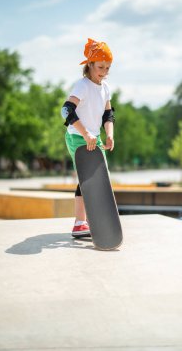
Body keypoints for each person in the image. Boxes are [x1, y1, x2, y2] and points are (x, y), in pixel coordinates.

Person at [61, 38, 115, 237]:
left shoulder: (106, 88)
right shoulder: (82, 86)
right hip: (77, 138)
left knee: (101, 180)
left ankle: (94, 221)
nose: (104, 72)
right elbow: (66, 110)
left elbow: (108, 114)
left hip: (95, 139)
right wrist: (86, 133)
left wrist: (109, 135)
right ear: (90, 65)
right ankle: (79, 223)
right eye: (100, 67)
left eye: (108, 68)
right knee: (87, 179)